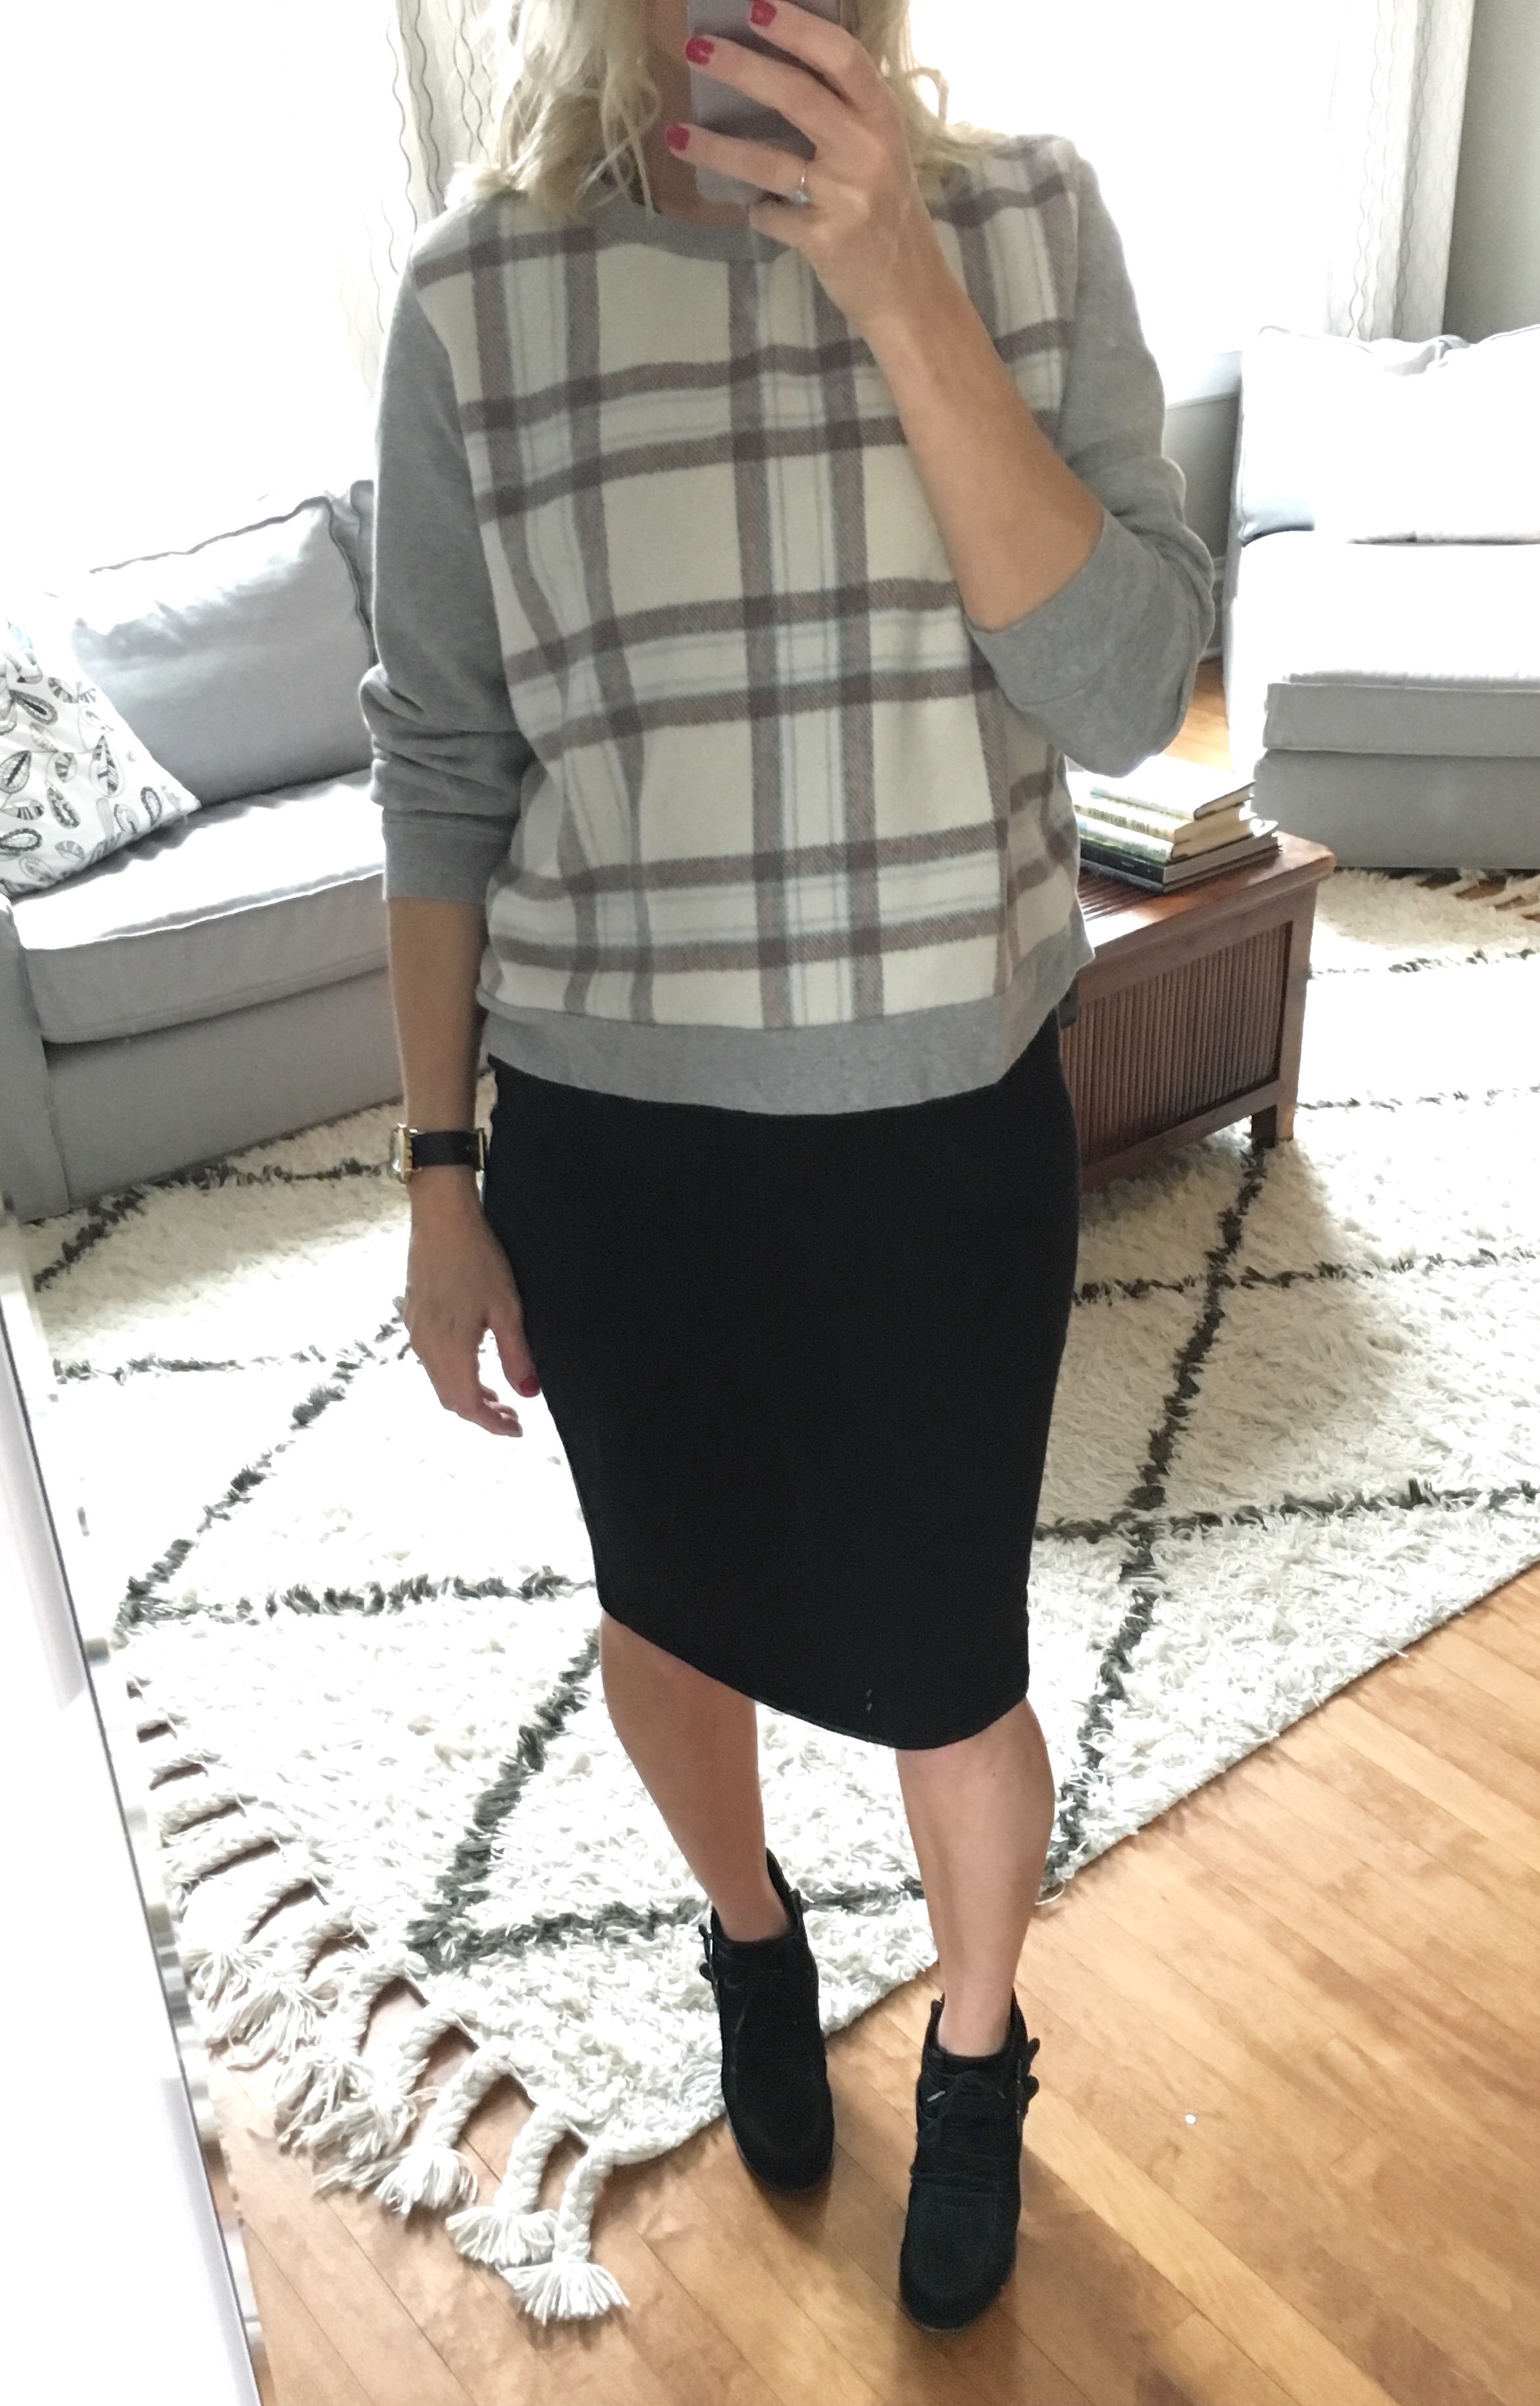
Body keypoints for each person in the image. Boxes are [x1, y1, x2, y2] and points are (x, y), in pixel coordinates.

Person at [364, 0, 1213, 2334]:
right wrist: (436, 1172)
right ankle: (750, 1941)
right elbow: (442, 766)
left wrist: (899, 283)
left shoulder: (1023, 224)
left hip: (939, 1125)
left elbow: (1121, 691)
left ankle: (974, 2051)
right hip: (616, 1144)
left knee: (948, 1661)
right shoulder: (474, 298)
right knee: (667, 1610)